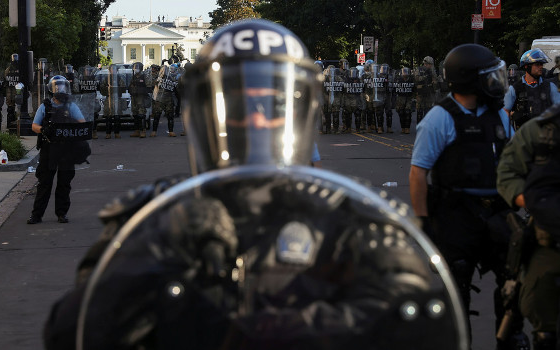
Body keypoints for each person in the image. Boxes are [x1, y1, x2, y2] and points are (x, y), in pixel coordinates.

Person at [44, 19, 468, 350]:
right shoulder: (157, 216)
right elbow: (71, 333)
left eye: (274, 104)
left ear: (302, 113)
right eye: (236, 105)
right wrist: (155, 251)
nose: (256, 119)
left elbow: (423, 322)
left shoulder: (352, 216)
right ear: (203, 114)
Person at [409, 43, 530, 349]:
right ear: (470, 80)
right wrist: (423, 222)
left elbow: (512, 163)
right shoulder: (439, 118)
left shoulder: (499, 116)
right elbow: (418, 172)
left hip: (496, 212)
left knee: (514, 281)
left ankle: (510, 336)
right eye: (490, 77)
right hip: (456, 215)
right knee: (456, 289)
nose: (497, 82)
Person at [497, 103, 560, 350]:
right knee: (545, 328)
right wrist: (535, 202)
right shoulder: (543, 131)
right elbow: (507, 174)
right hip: (551, 243)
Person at [27, 75, 87, 225]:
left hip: (66, 149)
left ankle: (62, 213)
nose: (60, 90)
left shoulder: (71, 106)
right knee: (44, 183)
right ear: (52, 90)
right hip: (49, 148)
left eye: (62, 87)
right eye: (57, 87)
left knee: (64, 183)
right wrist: (44, 129)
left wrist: (71, 125)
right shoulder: (45, 106)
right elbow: (34, 126)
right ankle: (36, 215)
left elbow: (82, 123)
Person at [504, 49, 560, 130]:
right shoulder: (514, 89)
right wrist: (511, 134)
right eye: (537, 64)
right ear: (527, 66)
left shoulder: (550, 87)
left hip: (545, 136)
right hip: (522, 138)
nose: (541, 67)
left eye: (541, 64)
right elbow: (505, 112)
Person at [149, 63, 178, 137]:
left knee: (169, 116)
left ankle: (170, 131)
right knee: (157, 116)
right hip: (160, 99)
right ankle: (155, 131)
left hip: (166, 100)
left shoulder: (170, 78)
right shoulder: (158, 78)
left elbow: (175, 89)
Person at [127, 62, 152, 138]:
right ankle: (137, 130)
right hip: (134, 97)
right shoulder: (134, 76)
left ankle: (143, 131)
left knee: (141, 114)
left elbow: (149, 86)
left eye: (137, 67)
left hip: (141, 97)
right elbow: (130, 85)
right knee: (135, 114)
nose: (136, 69)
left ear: (141, 68)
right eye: (135, 67)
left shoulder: (144, 76)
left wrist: (142, 90)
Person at [414, 56, 438, 125]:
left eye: (431, 64)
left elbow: (435, 81)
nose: (431, 66)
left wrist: (435, 80)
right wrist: (425, 76)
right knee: (420, 110)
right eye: (430, 64)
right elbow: (416, 78)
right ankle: (419, 126)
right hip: (420, 92)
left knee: (428, 109)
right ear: (425, 63)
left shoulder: (432, 70)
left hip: (429, 92)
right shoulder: (419, 69)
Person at [393, 66, 415, 134]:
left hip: (409, 97)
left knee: (408, 112)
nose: (405, 73)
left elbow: (414, 88)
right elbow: (394, 89)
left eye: (406, 72)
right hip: (400, 97)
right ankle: (403, 127)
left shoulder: (411, 79)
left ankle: (407, 127)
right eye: (404, 72)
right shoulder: (398, 79)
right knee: (401, 112)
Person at [3, 53, 20, 128]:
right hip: (11, 89)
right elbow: (5, 77)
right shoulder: (9, 69)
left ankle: (13, 124)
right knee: (10, 107)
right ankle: (10, 124)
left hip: (15, 89)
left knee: (15, 106)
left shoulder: (17, 69)